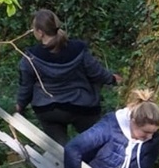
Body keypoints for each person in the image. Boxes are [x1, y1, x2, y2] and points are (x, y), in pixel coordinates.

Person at [16, 9, 122, 145]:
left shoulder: (30, 57)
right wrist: (112, 79)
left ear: (40, 32)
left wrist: (20, 105)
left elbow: (26, 86)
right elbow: (96, 72)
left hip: (48, 109)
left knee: (60, 150)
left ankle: (63, 160)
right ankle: (95, 160)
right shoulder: (78, 49)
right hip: (82, 105)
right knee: (96, 144)